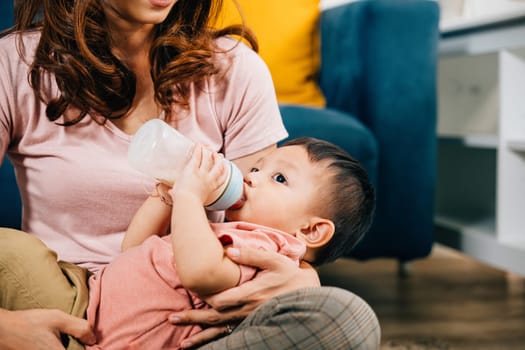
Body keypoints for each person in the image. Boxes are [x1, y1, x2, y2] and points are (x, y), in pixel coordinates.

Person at [0, 0, 381, 349]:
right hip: (67, 302)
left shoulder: (235, 69)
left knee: (349, 319)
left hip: (192, 326)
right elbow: (131, 253)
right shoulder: (14, 64)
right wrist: (7, 330)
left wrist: (301, 280)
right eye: (261, 173)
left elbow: (275, 222)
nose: (252, 177)